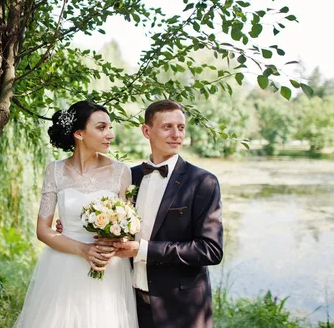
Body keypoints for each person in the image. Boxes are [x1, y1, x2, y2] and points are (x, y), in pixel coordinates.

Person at [97, 99, 224, 328]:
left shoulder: (203, 182)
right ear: (146, 131)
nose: (177, 134)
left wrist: (143, 249)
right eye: (167, 127)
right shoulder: (129, 177)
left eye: (181, 127)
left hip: (182, 308)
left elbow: (210, 250)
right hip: (131, 303)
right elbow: (108, 222)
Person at [13, 100, 138, 328]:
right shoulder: (55, 171)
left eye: (110, 127)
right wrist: (83, 250)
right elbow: (42, 230)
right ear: (79, 134)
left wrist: (114, 241)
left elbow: (128, 229)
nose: (110, 134)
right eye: (101, 128)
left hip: (105, 267)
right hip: (63, 264)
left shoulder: (121, 172)